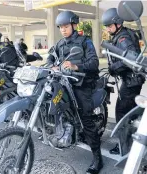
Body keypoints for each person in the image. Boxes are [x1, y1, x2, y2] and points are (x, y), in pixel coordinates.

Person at [47, 11, 102, 174]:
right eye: (61, 27)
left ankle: (98, 158)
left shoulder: (85, 41)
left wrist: (76, 66)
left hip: (82, 83)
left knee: (85, 117)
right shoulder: (60, 44)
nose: (63, 30)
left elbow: (94, 62)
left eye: (66, 26)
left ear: (74, 25)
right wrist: (52, 66)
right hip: (64, 82)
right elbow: (50, 57)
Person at [102, 8, 145, 155]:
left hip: (131, 81)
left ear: (117, 23)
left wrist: (113, 68)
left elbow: (129, 60)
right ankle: (131, 144)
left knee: (122, 113)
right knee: (131, 114)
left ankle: (124, 149)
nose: (107, 29)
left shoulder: (123, 38)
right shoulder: (122, 35)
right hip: (132, 80)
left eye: (109, 26)